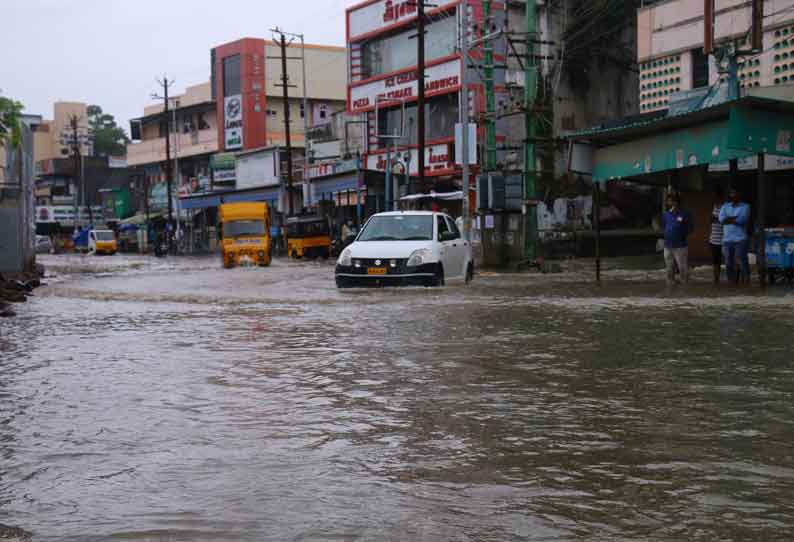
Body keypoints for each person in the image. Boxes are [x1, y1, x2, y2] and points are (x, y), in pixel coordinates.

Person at [719, 187, 751, 284]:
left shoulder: (745, 206)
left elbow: (742, 220)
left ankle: (746, 280)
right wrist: (733, 219)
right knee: (728, 262)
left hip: (740, 239)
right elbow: (721, 220)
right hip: (727, 240)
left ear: (739, 195)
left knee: (741, 260)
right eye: (732, 194)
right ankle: (731, 283)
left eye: (735, 194)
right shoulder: (725, 206)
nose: (733, 196)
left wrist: (729, 219)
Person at [662, 193, 694, 285]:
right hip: (667, 246)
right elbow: (665, 227)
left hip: (680, 246)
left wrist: (681, 235)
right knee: (669, 269)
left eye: (669, 200)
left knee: (682, 268)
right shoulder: (666, 214)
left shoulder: (685, 213)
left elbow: (690, 228)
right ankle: (671, 290)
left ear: (676, 202)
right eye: (668, 201)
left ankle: (684, 288)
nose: (668, 202)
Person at [710, 188, 725, 284]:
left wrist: (717, 219)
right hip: (713, 239)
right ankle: (716, 280)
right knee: (716, 261)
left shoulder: (724, 207)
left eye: (715, 196)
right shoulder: (714, 207)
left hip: (724, 239)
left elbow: (724, 221)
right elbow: (712, 220)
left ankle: (733, 281)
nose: (713, 198)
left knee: (727, 260)